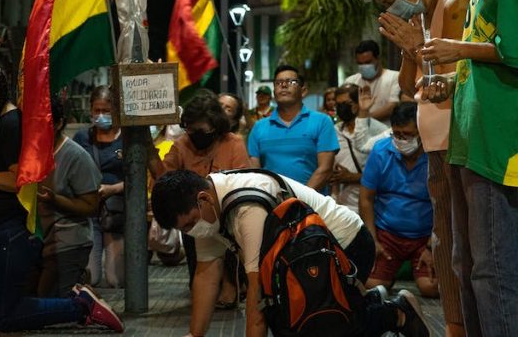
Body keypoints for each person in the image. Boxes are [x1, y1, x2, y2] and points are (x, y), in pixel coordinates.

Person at [0, 61, 122, 332]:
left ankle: (80, 307)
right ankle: (78, 306)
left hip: (10, 232)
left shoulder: (11, 124)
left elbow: (20, 181)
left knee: (3, 317)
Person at [151, 169, 431, 337]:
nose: (192, 231)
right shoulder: (208, 206)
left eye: (190, 223)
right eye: (184, 229)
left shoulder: (247, 209)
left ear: (203, 199)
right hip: (304, 255)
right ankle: (370, 303)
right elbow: (206, 275)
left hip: (346, 242)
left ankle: (396, 313)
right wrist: (195, 334)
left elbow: (256, 293)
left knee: (323, 325)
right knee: (296, 320)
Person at [354, 0, 471, 335]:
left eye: (388, 0)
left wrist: (416, 48)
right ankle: (454, 327)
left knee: (465, 252)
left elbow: (443, 83)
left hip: (463, 145)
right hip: (437, 145)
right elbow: (410, 87)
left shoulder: (456, 3)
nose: (388, 11)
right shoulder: (417, 15)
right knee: (448, 250)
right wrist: (409, 51)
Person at [424, 0, 518, 336]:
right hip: (469, 143)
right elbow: (484, 55)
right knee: (469, 265)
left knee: (494, 273)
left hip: (499, 148)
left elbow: (513, 49)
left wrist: (456, 49)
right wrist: (448, 78)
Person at [153, 89, 251, 307]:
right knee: (198, 285)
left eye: (199, 129)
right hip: (194, 220)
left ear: (215, 126)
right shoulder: (182, 144)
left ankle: (233, 286)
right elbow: (165, 178)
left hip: (227, 217)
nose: (193, 133)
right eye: (189, 127)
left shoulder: (233, 143)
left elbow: (243, 182)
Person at [359, 103, 438, 299]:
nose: (401, 140)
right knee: (373, 286)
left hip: (424, 236)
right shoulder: (380, 151)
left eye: (407, 134)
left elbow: (443, 206)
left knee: (431, 288)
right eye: (397, 134)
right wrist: (373, 240)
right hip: (388, 234)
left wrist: (431, 246)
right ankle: (388, 274)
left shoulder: (435, 156)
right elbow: (366, 198)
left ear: (421, 132)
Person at [37, 96, 101, 298]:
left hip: (69, 240)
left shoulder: (76, 156)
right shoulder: (33, 153)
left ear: (58, 123)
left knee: (52, 303)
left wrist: (56, 200)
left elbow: (91, 206)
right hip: (42, 240)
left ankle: (86, 298)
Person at [247, 65, 338, 189]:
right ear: (274, 92)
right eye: (279, 82)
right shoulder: (259, 127)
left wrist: (299, 202)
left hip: (313, 205)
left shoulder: (322, 121)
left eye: (291, 82)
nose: (284, 85)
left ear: (303, 91)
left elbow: (325, 169)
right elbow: (255, 172)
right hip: (272, 203)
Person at [73, 85, 125, 288]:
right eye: (97, 110)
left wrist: (114, 189)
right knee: (91, 278)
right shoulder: (82, 138)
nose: (101, 115)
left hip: (116, 213)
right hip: (89, 212)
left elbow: (138, 180)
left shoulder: (127, 139)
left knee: (116, 279)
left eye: (106, 111)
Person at [328, 84, 388, 213]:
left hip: (373, 205)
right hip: (343, 206)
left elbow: (388, 173)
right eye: (338, 105)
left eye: (346, 103)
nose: (341, 108)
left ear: (358, 103)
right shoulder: (335, 131)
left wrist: (354, 177)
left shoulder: (379, 130)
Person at [345, 40, 401, 125]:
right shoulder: (350, 81)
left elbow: (392, 106)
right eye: (360, 63)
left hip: (385, 130)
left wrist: (363, 119)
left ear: (378, 58)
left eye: (368, 62)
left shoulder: (395, 77)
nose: (364, 66)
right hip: (357, 132)